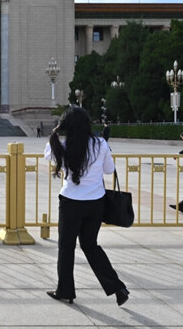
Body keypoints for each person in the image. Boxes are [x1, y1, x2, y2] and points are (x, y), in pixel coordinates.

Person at [44, 106, 129, 306]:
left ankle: (65, 290)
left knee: (66, 247)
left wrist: (55, 131)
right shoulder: (100, 144)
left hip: (71, 202)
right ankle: (117, 286)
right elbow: (109, 170)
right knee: (90, 245)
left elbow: (48, 155)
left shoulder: (62, 146)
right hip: (95, 203)